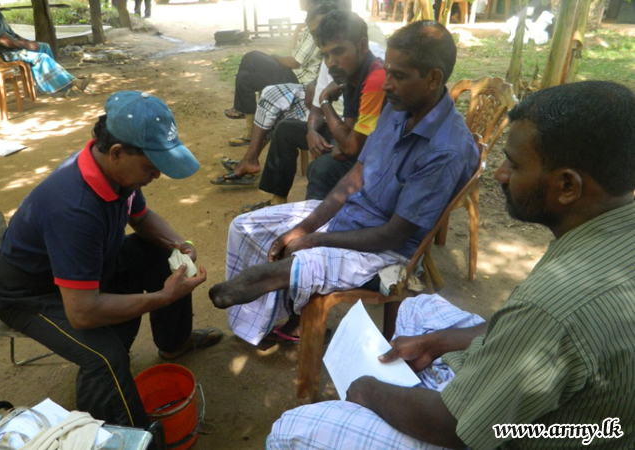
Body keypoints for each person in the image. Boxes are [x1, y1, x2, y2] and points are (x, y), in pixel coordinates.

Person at [267, 80, 635, 449]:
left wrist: (367, 390)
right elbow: (538, 334)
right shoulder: (610, 236)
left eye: (514, 163)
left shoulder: (552, 305)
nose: (501, 174)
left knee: (293, 428)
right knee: (419, 308)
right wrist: (442, 341)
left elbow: (454, 426)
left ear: (568, 186)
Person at [209, 21, 478, 345]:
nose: (387, 84)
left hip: (388, 251)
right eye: (387, 72)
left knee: (298, 262)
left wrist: (315, 241)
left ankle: (273, 280)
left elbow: (394, 234)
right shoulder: (400, 106)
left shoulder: (446, 150)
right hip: (353, 214)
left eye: (399, 76)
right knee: (246, 226)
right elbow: (356, 176)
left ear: (433, 78)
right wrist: (305, 227)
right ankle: (257, 320)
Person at [0, 91, 222, 428]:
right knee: (106, 357)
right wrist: (164, 297)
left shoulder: (116, 173)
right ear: (116, 152)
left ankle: (174, 343)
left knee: (160, 253)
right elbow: (82, 312)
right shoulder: (74, 208)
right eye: (152, 168)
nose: (156, 176)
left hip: (85, 267)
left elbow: (140, 217)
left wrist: (177, 244)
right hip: (30, 295)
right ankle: (123, 437)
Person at [236, 10, 388, 213]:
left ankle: (311, 224)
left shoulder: (374, 80)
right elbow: (348, 132)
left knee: (320, 168)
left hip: (378, 158)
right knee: (285, 130)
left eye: (339, 51)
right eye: (325, 54)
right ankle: (277, 203)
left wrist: (326, 101)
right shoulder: (352, 73)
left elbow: (351, 147)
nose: (331, 62)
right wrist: (314, 132)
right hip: (358, 141)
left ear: (361, 46)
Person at [223, 0, 322, 128]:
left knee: (252, 57)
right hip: (294, 73)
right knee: (244, 79)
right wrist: (296, 32)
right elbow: (293, 53)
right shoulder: (309, 24)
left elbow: (293, 62)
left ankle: (240, 108)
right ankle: (249, 130)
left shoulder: (315, 27)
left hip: (299, 79)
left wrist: (273, 57)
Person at [0, 0, 91, 95]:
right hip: (2, 54)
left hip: (8, 49)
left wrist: (26, 41)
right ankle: (73, 83)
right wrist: (26, 45)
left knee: (43, 47)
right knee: (41, 57)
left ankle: (54, 87)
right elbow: (3, 40)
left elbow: (11, 34)